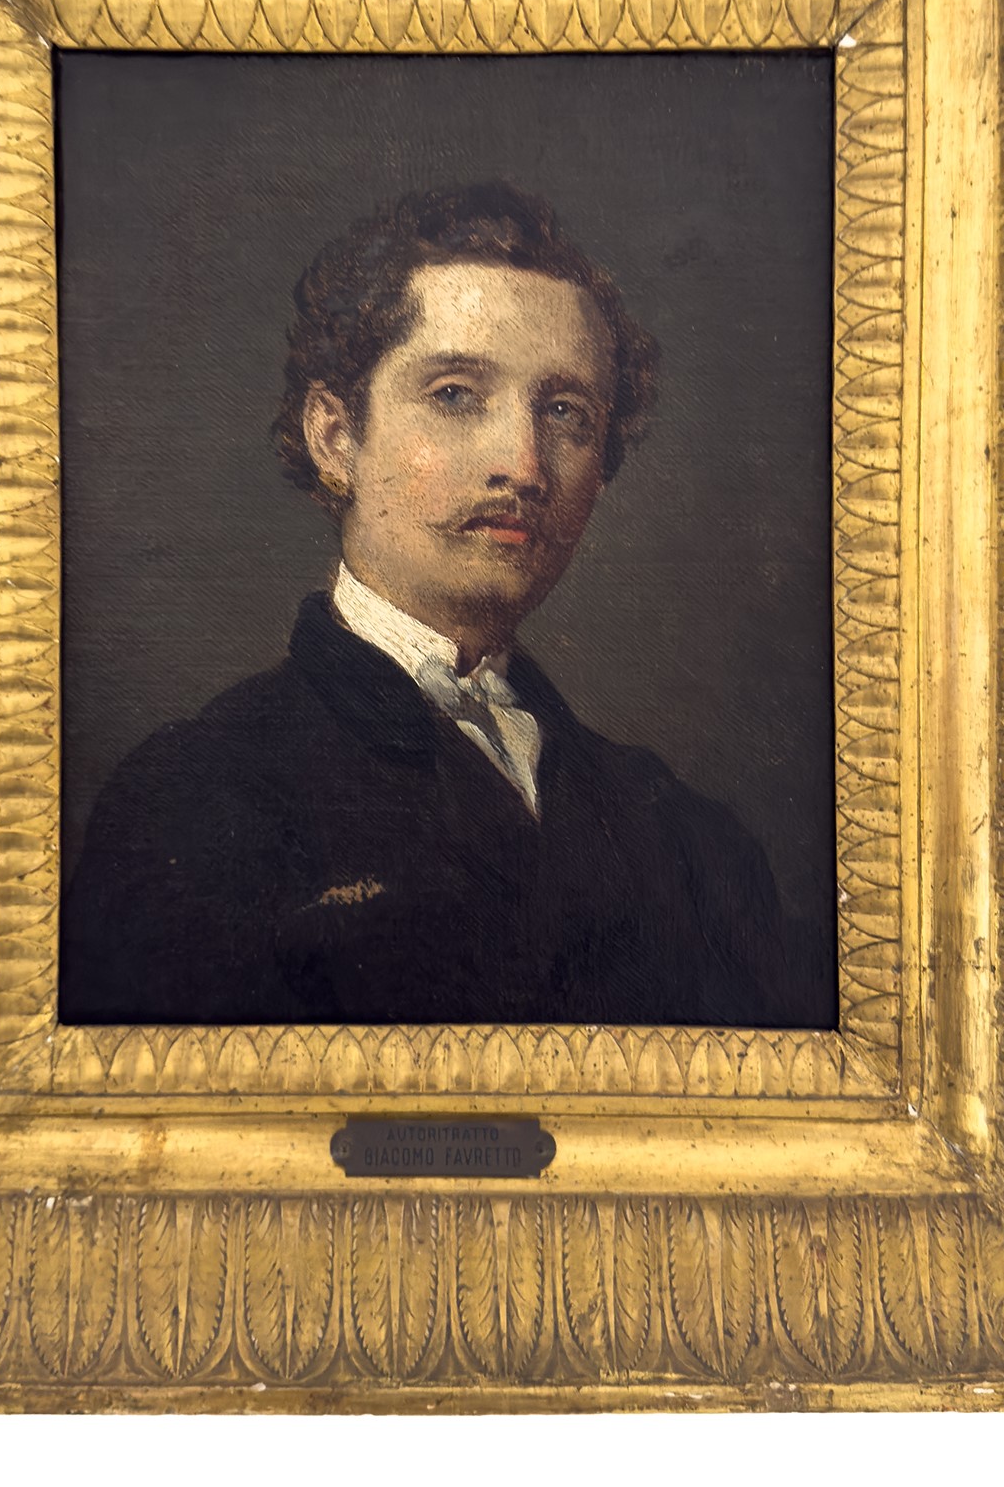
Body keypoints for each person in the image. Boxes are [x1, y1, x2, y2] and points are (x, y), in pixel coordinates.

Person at [59, 182, 833, 1029]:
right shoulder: (194, 801)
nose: (524, 466)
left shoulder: (691, 841)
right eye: (456, 395)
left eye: (565, 412)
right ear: (335, 438)